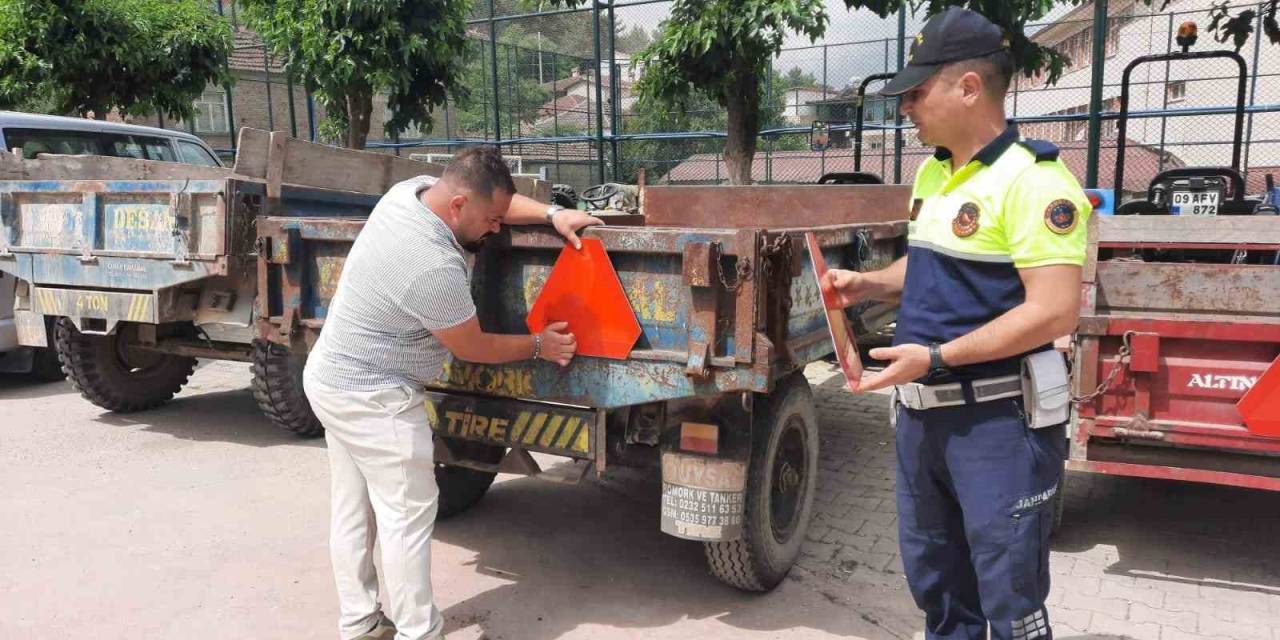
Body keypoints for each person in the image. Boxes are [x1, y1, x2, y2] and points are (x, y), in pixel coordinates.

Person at [822, 8, 1090, 640]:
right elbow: (934, 265)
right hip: (921, 422)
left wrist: (938, 358)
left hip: (996, 423)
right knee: (937, 587)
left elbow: (1053, 309)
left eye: (917, 92)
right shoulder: (936, 172)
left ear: (968, 87)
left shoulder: (1035, 180)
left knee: (1008, 595)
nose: (906, 107)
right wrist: (870, 283)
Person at [302, 145, 602, 640]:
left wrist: (552, 213)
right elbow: (473, 346)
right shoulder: (430, 264)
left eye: (502, 217)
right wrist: (539, 345)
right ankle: (419, 632)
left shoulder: (411, 193)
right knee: (407, 517)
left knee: (354, 508)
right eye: (491, 221)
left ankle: (358, 621)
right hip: (374, 397)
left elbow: (493, 200)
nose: (498, 229)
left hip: (332, 377)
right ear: (459, 206)